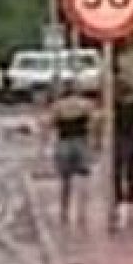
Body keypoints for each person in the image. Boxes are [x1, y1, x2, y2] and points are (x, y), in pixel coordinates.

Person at [47, 78, 97, 226]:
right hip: (81, 141)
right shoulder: (86, 105)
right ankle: (82, 211)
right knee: (83, 177)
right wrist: (94, 142)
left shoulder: (58, 106)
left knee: (65, 180)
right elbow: (93, 124)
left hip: (64, 142)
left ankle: (64, 210)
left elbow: (50, 123)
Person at [110, 75, 133, 227]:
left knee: (118, 172)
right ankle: (130, 204)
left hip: (121, 139)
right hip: (131, 139)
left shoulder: (116, 105)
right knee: (129, 173)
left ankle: (119, 203)